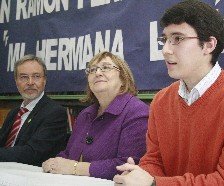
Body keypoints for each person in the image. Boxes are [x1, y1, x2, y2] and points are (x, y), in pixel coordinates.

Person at [114, 0, 224, 185]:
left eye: (177, 39)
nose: (165, 50)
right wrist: (140, 173)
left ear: (209, 45)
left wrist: (154, 183)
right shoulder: (161, 100)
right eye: (165, 40)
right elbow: (154, 160)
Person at [42, 51, 149, 180]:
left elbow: (127, 165)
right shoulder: (85, 114)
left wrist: (75, 168)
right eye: (92, 70)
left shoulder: (137, 112)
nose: (97, 73)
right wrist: (53, 162)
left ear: (123, 78)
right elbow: (69, 154)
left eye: (106, 67)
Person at [0, 54, 68, 166]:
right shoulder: (14, 113)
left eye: (36, 76)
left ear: (44, 80)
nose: (30, 82)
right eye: (23, 77)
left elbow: (32, 153)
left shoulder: (55, 113)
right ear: (16, 81)